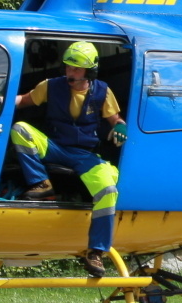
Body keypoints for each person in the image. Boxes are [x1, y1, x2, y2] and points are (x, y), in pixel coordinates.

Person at [7, 41, 129, 278]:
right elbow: (23, 100)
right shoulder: (50, 86)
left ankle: (96, 251)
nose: (69, 72)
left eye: (76, 69)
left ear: (89, 71)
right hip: (55, 147)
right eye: (68, 67)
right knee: (21, 129)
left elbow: (116, 120)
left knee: (108, 190)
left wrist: (121, 127)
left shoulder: (103, 91)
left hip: (85, 154)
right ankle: (42, 184)